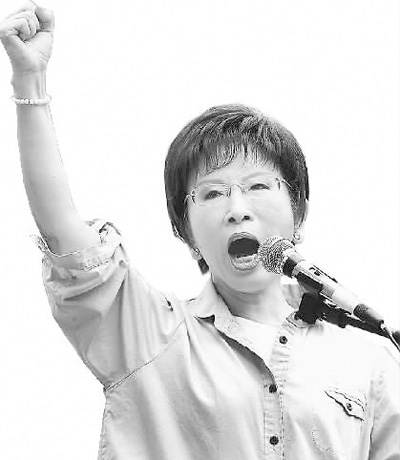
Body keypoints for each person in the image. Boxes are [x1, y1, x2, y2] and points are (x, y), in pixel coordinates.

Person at [1, 3, 399, 460]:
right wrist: (29, 81)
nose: (237, 210)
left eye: (258, 186)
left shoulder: (369, 358)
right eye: (212, 193)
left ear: (299, 213)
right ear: (186, 233)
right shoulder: (150, 334)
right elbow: (63, 232)